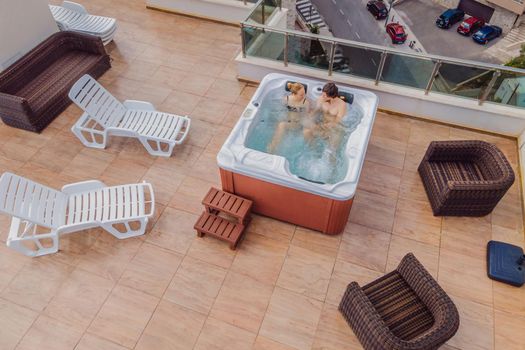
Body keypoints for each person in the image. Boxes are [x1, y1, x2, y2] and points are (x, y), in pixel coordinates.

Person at [305, 82, 347, 162]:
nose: (322, 96)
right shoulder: (321, 99)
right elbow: (316, 111)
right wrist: (309, 116)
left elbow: (338, 120)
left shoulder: (341, 105)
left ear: (331, 96)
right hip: (322, 126)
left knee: (331, 151)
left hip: (334, 130)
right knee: (306, 132)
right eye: (322, 94)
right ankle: (315, 154)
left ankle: (332, 169)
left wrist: (327, 126)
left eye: (324, 95)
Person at [267, 82, 310, 153]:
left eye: (304, 94)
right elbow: (280, 110)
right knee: (279, 125)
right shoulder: (286, 99)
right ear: (293, 94)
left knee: (282, 125)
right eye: (301, 95)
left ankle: (272, 148)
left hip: (297, 125)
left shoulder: (305, 103)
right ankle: (273, 148)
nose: (303, 96)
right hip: (288, 122)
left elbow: (306, 116)